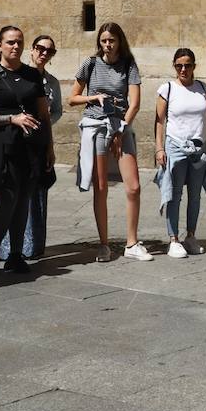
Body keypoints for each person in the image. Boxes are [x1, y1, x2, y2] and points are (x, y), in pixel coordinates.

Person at [0, 26, 54, 276]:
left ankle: (16, 255)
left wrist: (49, 148)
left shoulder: (31, 75)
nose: (15, 46)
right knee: (6, 201)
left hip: (30, 147)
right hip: (3, 147)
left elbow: (43, 114)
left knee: (23, 202)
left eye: (19, 42)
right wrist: (11, 119)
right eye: (10, 42)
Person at [70, 22, 151, 262]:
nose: (107, 45)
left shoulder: (129, 65)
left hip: (120, 126)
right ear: (100, 42)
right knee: (102, 187)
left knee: (134, 186)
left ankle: (131, 242)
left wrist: (121, 128)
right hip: (95, 126)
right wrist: (94, 96)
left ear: (119, 42)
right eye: (104, 40)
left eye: (112, 40)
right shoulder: (91, 64)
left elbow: (134, 103)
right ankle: (104, 244)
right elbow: (72, 98)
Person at [0, 35, 63, 261]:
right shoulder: (19, 75)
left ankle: (33, 245)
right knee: (9, 194)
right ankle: (5, 247)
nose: (44, 54)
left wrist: (43, 128)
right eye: (40, 48)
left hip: (38, 140)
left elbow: (55, 110)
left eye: (49, 51)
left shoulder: (52, 82)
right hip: (13, 140)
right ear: (32, 50)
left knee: (36, 193)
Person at [154, 48, 206, 258]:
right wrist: (159, 148)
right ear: (174, 66)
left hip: (199, 147)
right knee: (174, 194)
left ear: (194, 66)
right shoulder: (167, 89)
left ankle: (191, 236)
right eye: (179, 66)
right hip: (175, 147)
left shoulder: (202, 88)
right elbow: (159, 121)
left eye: (187, 65)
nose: (183, 69)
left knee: (195, 195)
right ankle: (173, 239)